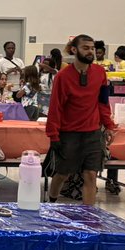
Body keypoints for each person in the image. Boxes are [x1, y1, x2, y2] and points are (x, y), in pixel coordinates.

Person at [45, 34, 116, 207]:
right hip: (68, 134)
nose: (90, 51)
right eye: (86, 48)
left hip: (92, 133)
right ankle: (51, 203)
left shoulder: (100, 73)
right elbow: (56, 108)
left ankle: (88, 217)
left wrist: (109, 125)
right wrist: (53, 135)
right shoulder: (63, 76)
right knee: (62, 174)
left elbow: (103, 102)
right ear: (74, 50)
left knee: (91, 175)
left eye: (92, 48)